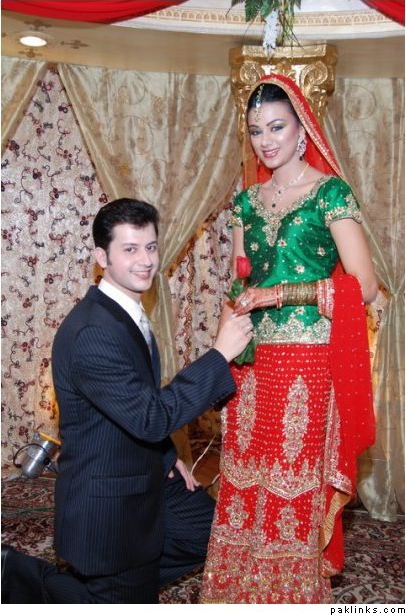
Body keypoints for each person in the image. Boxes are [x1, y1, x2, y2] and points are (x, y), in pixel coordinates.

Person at [2, 197, 253, 604]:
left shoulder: (122, 311)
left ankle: (123, 584)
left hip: (144, 471)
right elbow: (150, 417)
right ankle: (15, 573)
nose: (146, 260)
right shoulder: (93, 333)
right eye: (130, 249)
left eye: (150, 247)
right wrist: (219, 354)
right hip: (108, 506)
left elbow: (135, 403)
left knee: (208, 532)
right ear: (102, 257)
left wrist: (165, 456)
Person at [199, 73, 378, 604]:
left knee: (291, 476)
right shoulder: (245, 203)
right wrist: (219, 358)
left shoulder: (330, 194)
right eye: (256, 131)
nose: (266, 140)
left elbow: (364, 285)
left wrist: (279, 295)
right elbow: (240, 283)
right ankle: (238, 591)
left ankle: (288, 594)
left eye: (277, 127)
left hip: (307, 360)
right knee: (244, 472)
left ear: (303, 130)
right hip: (251, 360)